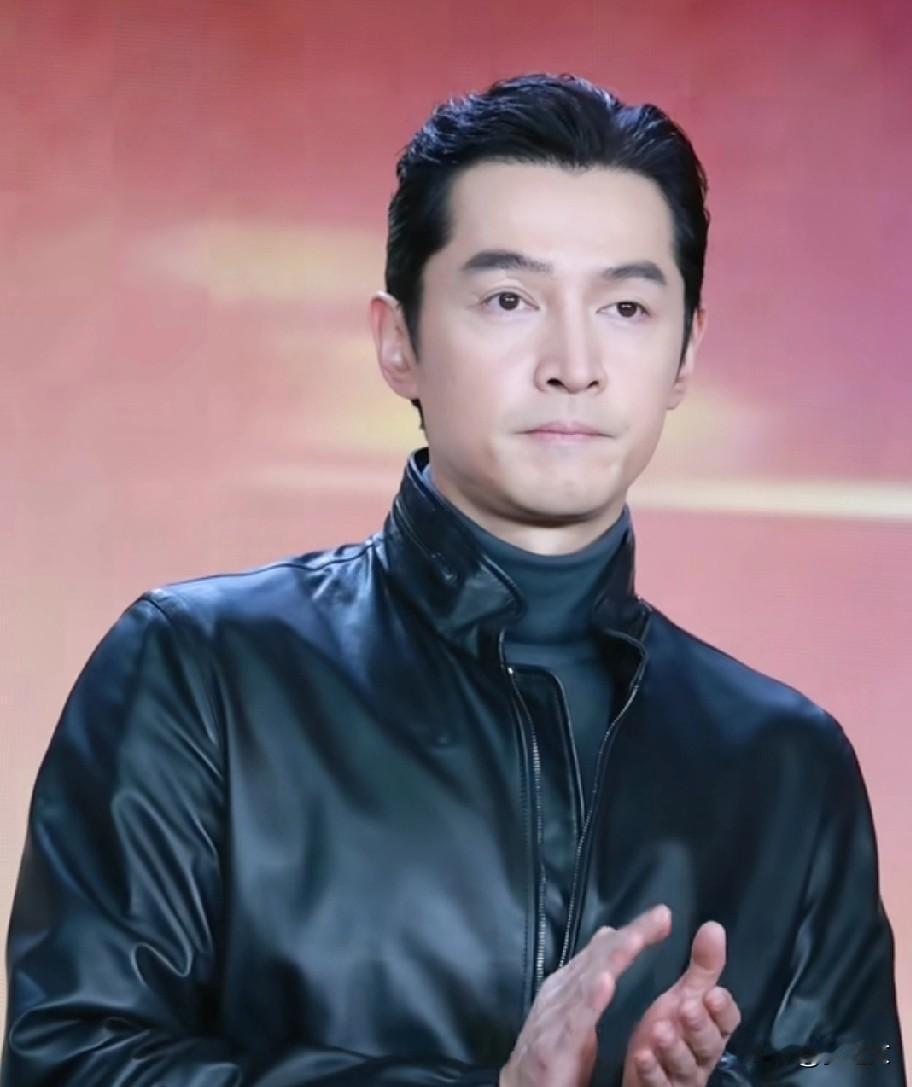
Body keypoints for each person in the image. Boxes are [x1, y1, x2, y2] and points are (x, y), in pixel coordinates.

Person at [1, 73, 904, 1087]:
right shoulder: (197, 672)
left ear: (686, 352)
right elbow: (68, 1061)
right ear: (399, 342)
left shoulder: (785, 764)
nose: (573, 363)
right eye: (509, 299)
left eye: (626, 306)